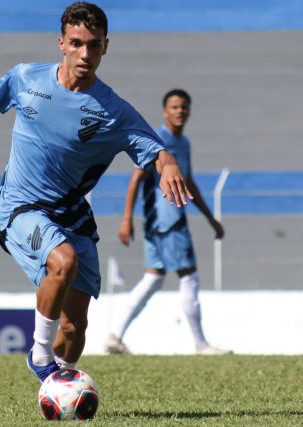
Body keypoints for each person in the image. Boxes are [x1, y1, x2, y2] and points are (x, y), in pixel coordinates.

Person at [0, 2, 192, 383]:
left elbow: (157, 152)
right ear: (62, 43)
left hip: (73, 215)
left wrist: (170, 166)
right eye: (77, 43)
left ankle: (60, 387)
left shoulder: (114, 112)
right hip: (20, 206)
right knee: (63, 263)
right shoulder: (27, 79)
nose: (86, 54)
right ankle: (39, 354)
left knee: (74, 328)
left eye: (94, 45)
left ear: (105, 47)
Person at [103, 89, 229, 356]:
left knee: (154, 279)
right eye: (174, 107)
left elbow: (189, 182)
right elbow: (136, 178)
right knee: (189, 276)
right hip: (167, 220)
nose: (180, 111)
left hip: (163, 222)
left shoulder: (183, 143)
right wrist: (126, 219)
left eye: (184, 107)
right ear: (165, 111)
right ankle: (201, 344)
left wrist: (210, 219)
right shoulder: (157, 139)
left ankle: (115, 336)